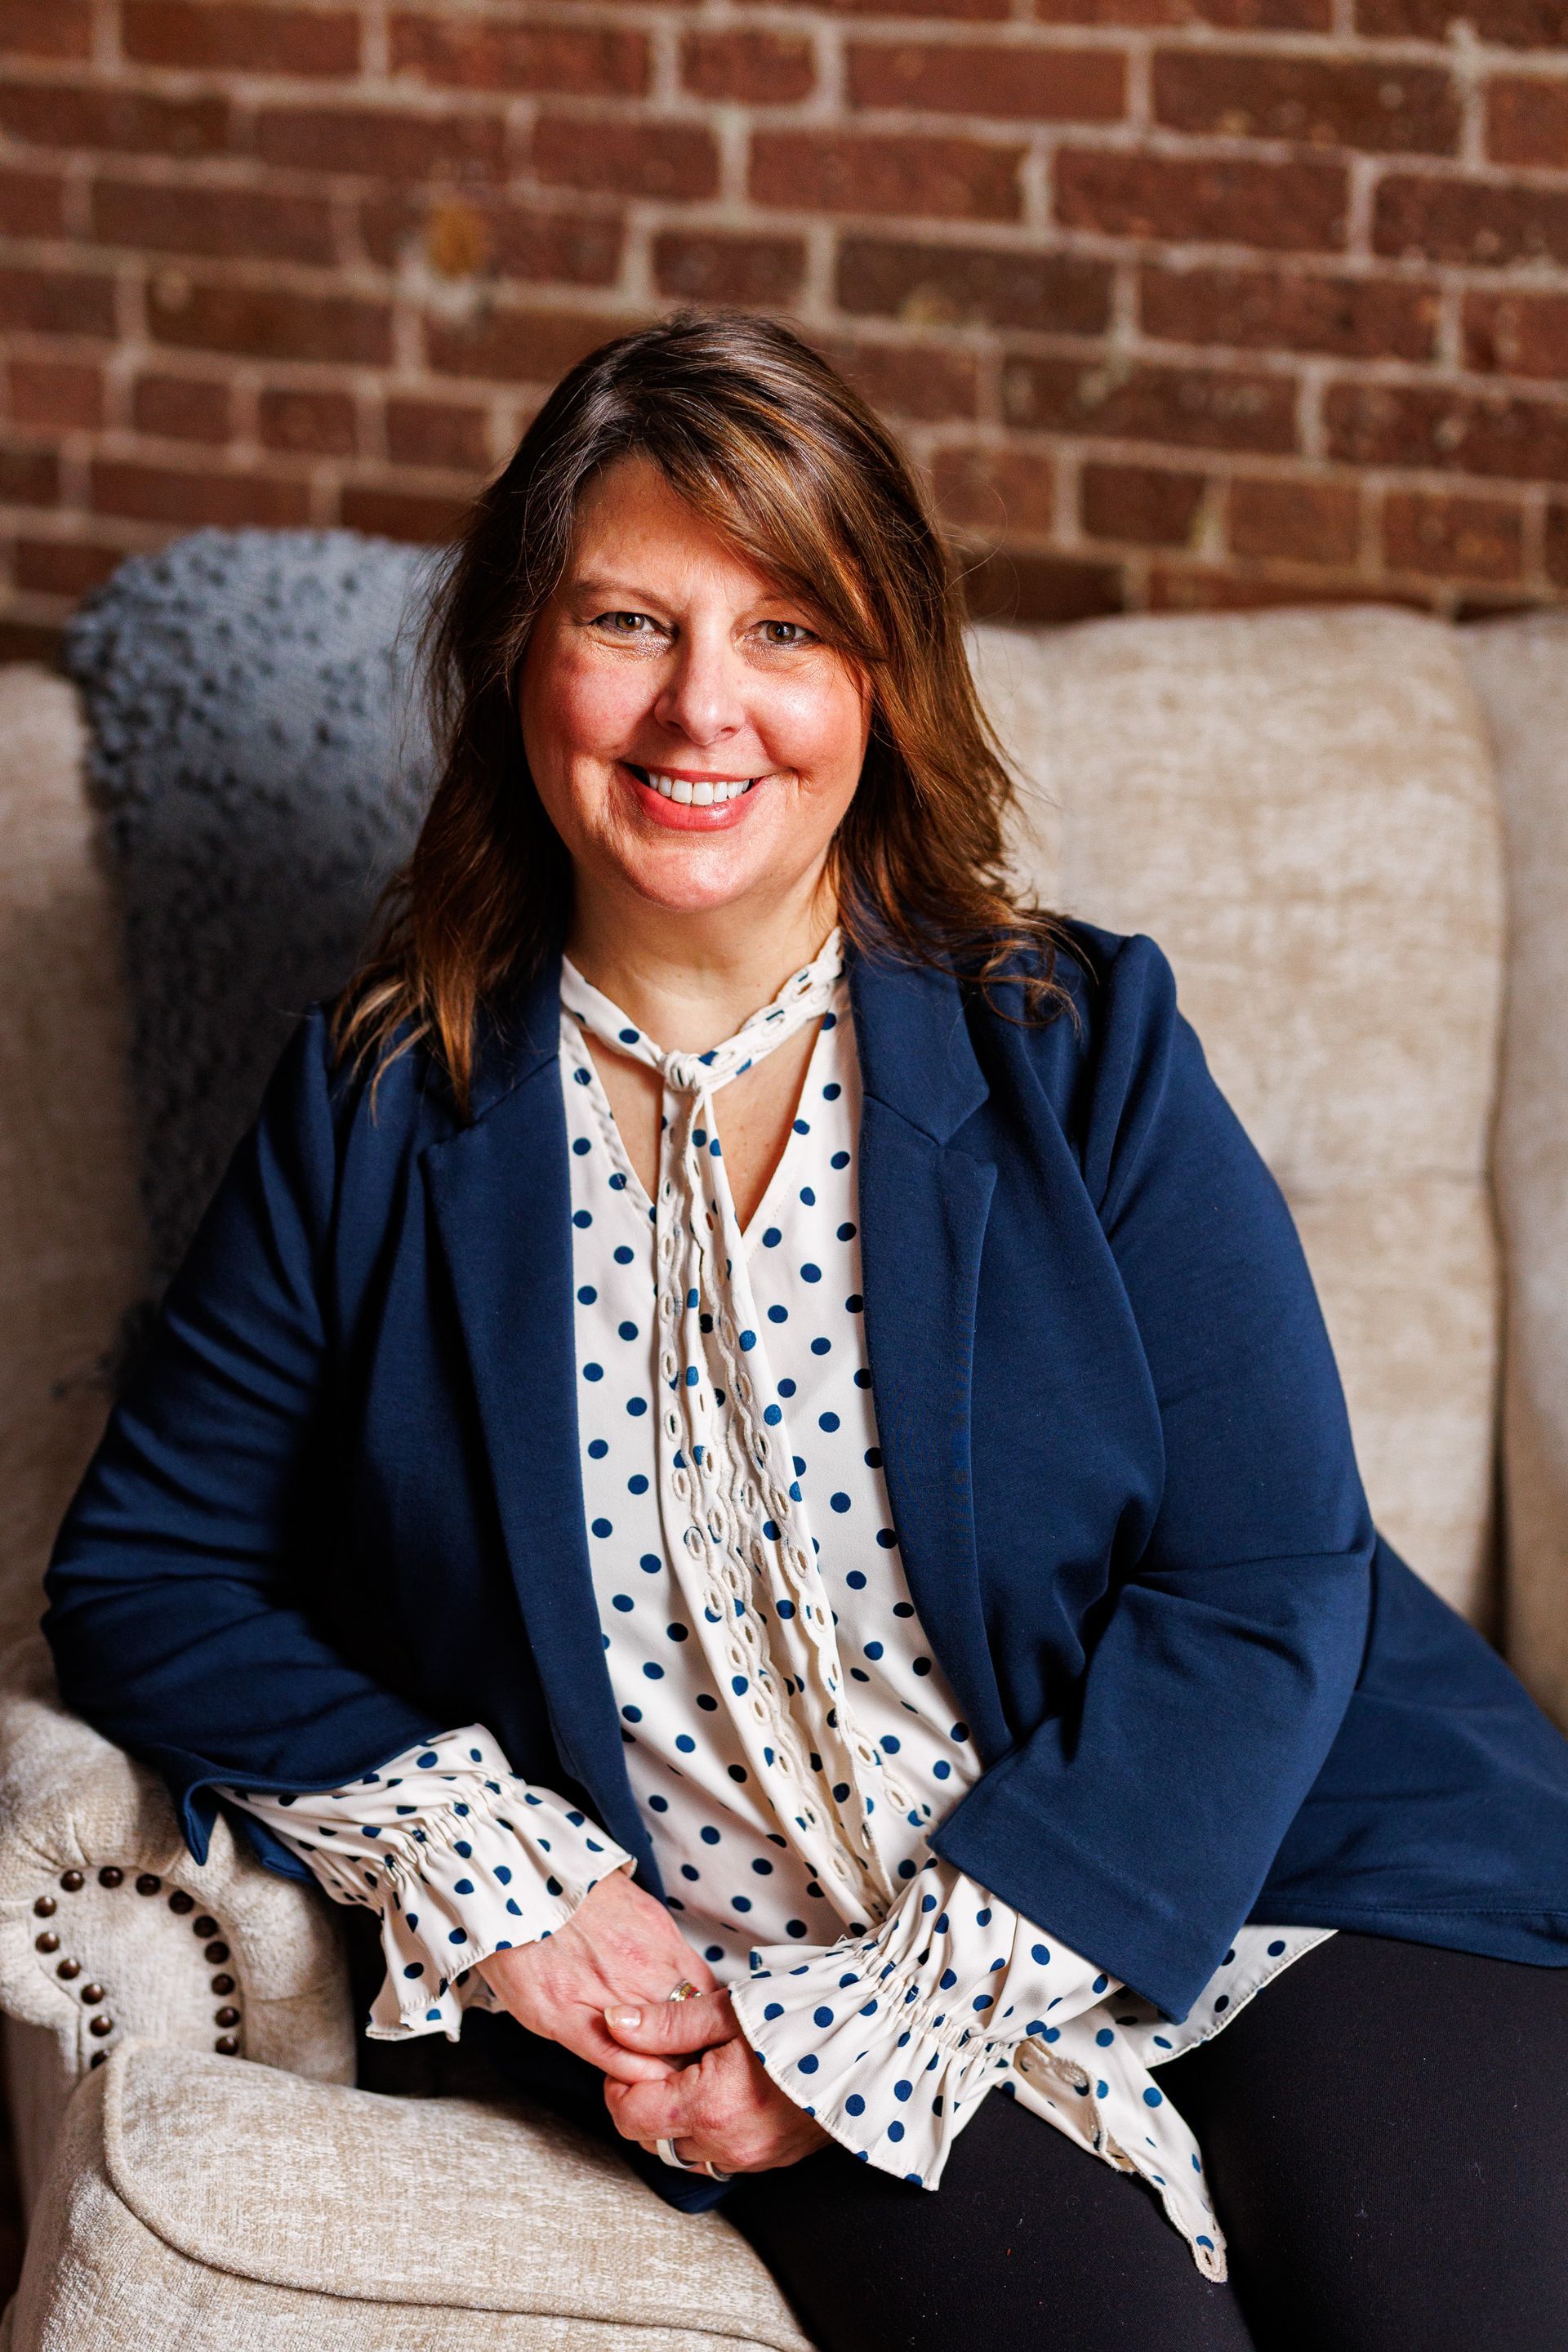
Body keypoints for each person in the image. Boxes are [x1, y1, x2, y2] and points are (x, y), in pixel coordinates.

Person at [42, 311, 1568, 2352]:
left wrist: (936, 1994)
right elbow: (151, 1569)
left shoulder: (1082, 1048)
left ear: (882, 679)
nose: (705, 709)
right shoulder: (380, 1108)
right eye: (628, 621)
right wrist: (504, 1874)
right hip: (757, 1978)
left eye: (786, 629)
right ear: (523, 658)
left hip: (1289, 1851)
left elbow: (1267, 1576)